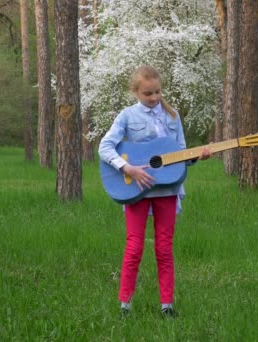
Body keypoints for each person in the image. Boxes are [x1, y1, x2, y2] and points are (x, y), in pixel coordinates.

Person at [98, 65, 211, 318]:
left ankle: (167, 306)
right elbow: (104, 148)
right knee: (134, 247)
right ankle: (125, 305)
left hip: (167, 191)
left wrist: (197, 157)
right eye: (148, 93)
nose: (154, 98)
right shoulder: (127, 116)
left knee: (164, 248)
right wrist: (128, 168)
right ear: (136, 92)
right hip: (136, 191)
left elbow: (180, 153)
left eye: (158, 92)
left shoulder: (172, 116)